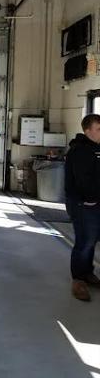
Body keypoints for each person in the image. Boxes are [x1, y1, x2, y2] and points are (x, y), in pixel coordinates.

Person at [65, 114, 100, 301]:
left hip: (95, 203)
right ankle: (78, 280)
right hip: (83, 204)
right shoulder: (80, 151)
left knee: (92, 240)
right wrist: (91, 199)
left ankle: (88, 273)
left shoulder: (96, 149)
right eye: (99, 129)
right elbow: (83, 181)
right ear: (88, 131)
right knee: (84, 241)